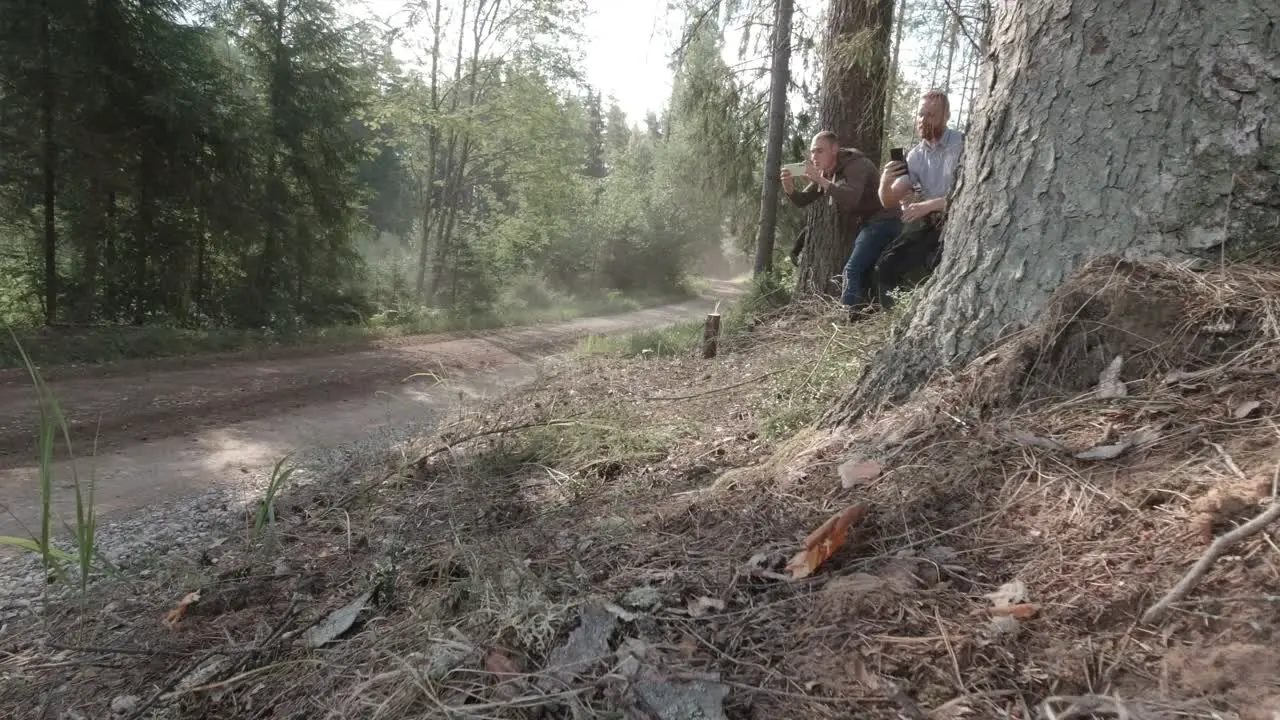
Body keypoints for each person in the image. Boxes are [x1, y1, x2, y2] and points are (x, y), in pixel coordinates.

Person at [781, 131, 901, 315]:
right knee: (866, 271)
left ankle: (846, 320)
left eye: (819, 151)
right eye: (812, 152)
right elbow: (803, 200)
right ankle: (863, 314)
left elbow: (851, 197)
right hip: (870, 224)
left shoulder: (856, 164)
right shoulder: (829, 173)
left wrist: (820, 179)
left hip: (885, 220)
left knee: (851, 270)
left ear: (834, 149)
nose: (814, 156)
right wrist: (789, 189)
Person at [874, 90, 964, 309]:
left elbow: (972, 191)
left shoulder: (962, 144)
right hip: (933, 225)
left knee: (941, 269)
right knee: (885, 265)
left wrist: (928, 205)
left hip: (962, 221)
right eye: (921, 114)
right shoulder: (915, 155)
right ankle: (893, 320)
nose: (924, 120)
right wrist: (886, 181)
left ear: (947, 116)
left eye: (931, 115)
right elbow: (889, 201)